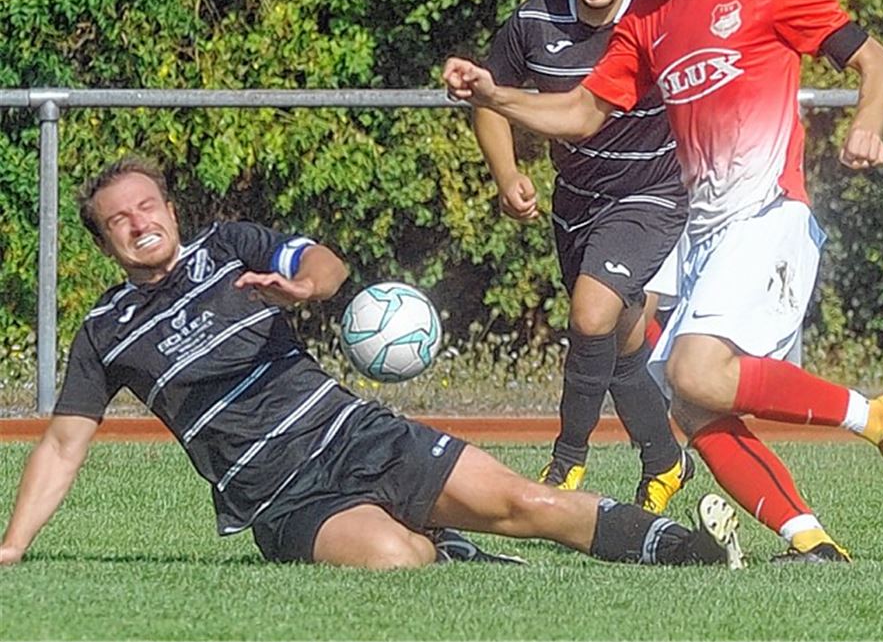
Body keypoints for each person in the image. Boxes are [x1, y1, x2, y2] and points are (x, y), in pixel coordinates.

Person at [444, 0, 883, 564]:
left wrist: (869, 121)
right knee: (691, 404)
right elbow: (582, 114)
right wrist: (497, 95)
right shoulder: (647, 14)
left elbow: (879, 63)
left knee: (694, 371)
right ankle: (811, 544)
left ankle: (878, 414)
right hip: (704, 230)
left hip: (769, 214)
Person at [0, 156, 744, 571]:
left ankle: (686, 551)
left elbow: (323, 263)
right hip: (283, 500)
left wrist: (304, 286)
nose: (141, 221)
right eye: (120, 219)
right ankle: (449, 548)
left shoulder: (228, 246)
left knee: (531, 504)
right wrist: (11, 546)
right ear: (105, 243)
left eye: (149, 204)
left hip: (355, 433)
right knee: (396, 562)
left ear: (170, 208)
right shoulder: (107, 330)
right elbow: (64, 445)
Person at [473, 0, 688, 512]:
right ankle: (665, 461)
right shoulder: (533, 21)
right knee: (618, 343)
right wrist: (507, 172)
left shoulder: (660, 14)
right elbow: (491, 98)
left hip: (651, 197)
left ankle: (565, 466)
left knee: (591, 314)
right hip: (577, 202)